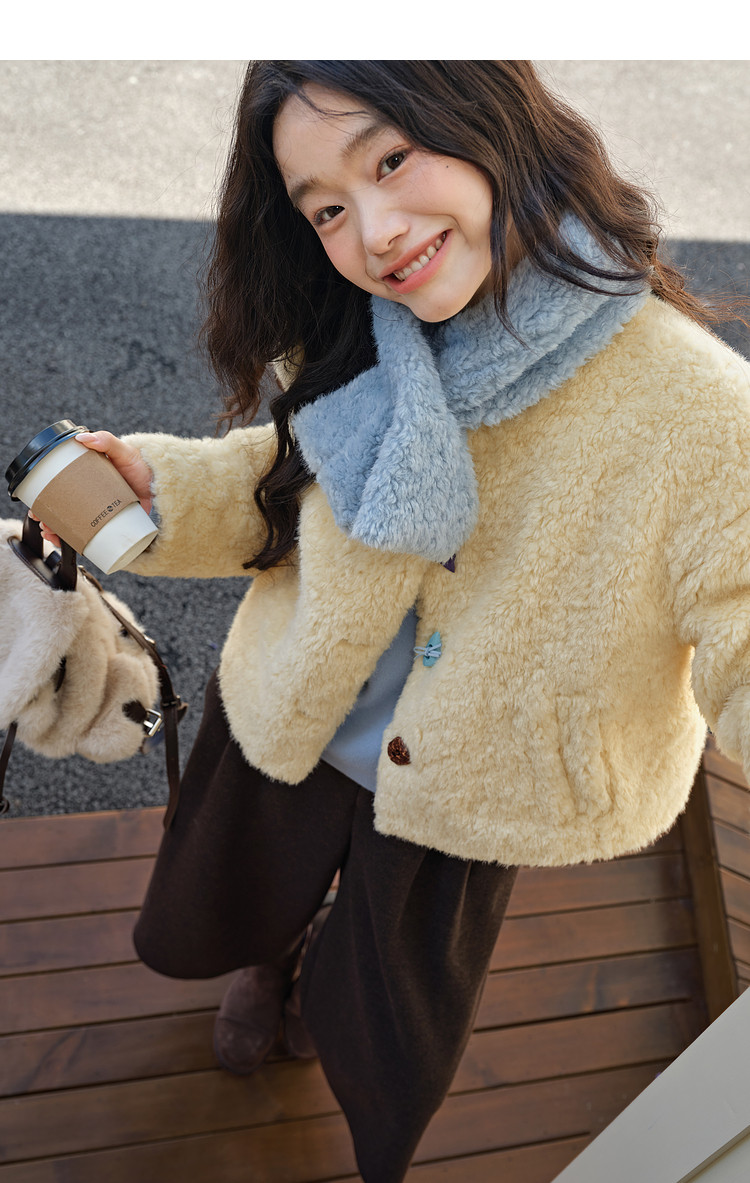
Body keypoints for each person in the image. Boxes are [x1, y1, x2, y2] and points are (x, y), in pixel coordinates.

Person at [42, 61, 750, 1182]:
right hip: (296, 709)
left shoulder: (699, 409)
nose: (373, 233)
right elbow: (283, 484)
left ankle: (309, 968)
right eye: (325, 208)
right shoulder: (362, 325)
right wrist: (153, 491)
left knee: (388, 1009)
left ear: (490, 120)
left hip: (466, 781)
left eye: (391, 157)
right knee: (239, 888)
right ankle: (269, 960)